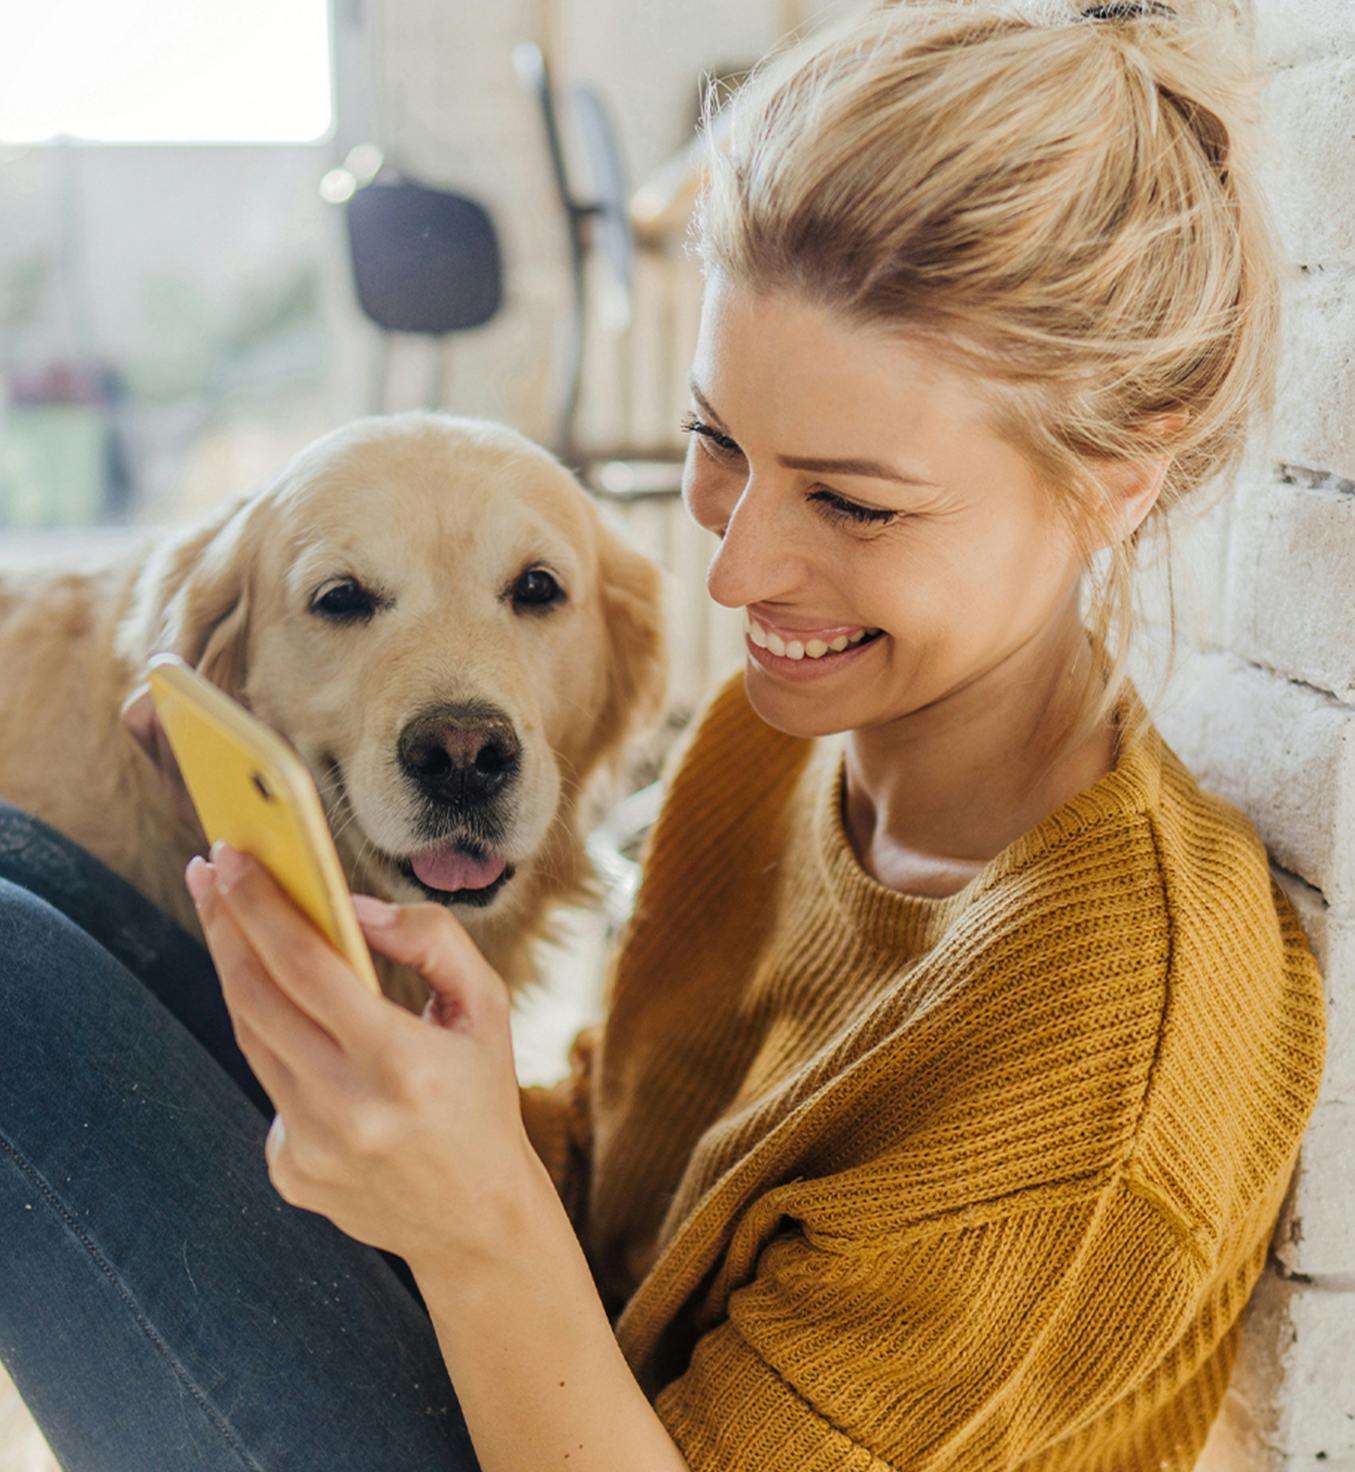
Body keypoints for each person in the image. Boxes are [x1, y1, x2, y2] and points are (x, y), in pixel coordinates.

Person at [0, 1, 1329, 1469]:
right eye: (718, 446)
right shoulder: (790, 746)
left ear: (1115, 486)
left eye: (853, 502)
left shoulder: (1099, 1046)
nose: (735, 570)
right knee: (25, 890)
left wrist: (469, 1213)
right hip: (548, 1379)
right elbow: (638, 1172)